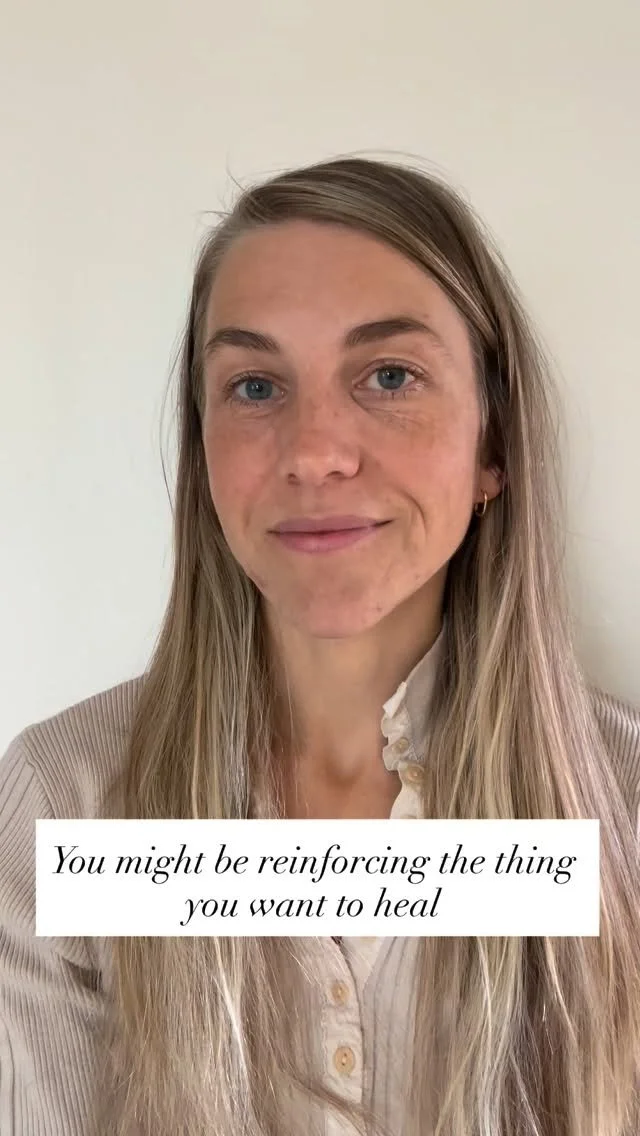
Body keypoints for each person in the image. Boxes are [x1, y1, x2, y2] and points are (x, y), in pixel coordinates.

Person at [1, 155, 639, 1136]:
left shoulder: (624, 812)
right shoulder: (63, 803)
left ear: (493, 444)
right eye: (256, 386)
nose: (313, 452)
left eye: (390, 376)